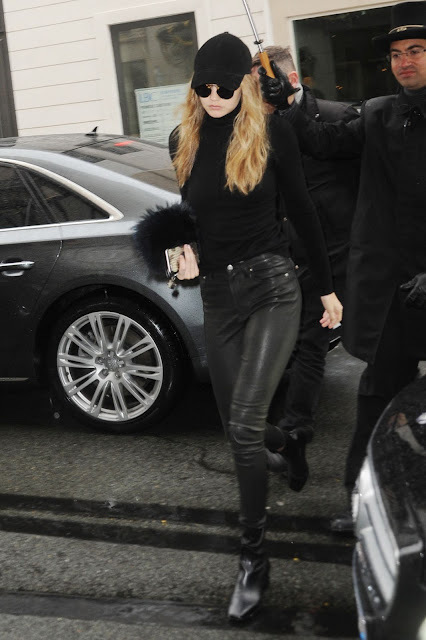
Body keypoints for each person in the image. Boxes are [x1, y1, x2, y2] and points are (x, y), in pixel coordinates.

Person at [168, 32, 342, 621]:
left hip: (271, 286)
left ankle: (253, 559)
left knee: (242, 426)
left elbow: (304, 212)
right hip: (218, 296)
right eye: (203, 88)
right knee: (237, 424)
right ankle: (288, 442)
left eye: (224, 86)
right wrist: (180, 250)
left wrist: (327, 289)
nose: (214, 97)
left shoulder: (271, 133)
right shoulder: (184, 140)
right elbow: (187, 218)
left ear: (245, 83)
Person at [258, 1, 426, 533]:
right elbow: (321, 141)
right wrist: (288, 101)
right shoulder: (377, 114)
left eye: (416, 50)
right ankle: (361, 504)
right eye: (397, 54)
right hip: (395, 292)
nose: (404, 61)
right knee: (376, 399)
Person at [252, 47, 360, 450]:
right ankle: (287, 428)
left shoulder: (336, 116)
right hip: (289, 253)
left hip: (338, 251)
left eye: (266, 86)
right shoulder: (260, 129)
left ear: (291, 80)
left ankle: (296, 430)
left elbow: (327, 148)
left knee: (317, 339)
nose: (260, 96)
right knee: (299, 340)